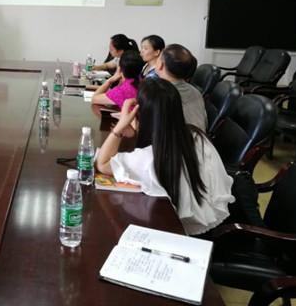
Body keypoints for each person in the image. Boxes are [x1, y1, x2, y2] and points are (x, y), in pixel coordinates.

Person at [95, 79, 233, 236]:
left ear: (141, 114)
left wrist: (120, 127)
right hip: (209, 224)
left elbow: (102, 164)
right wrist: (136, 132)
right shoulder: (198, 136)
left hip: (179, 232)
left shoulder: (148, 158)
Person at [156, 43, 207, 131]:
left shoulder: (161, 95)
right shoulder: (195, 91)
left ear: (161, 64)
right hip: (201, 137)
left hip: (180, 139)